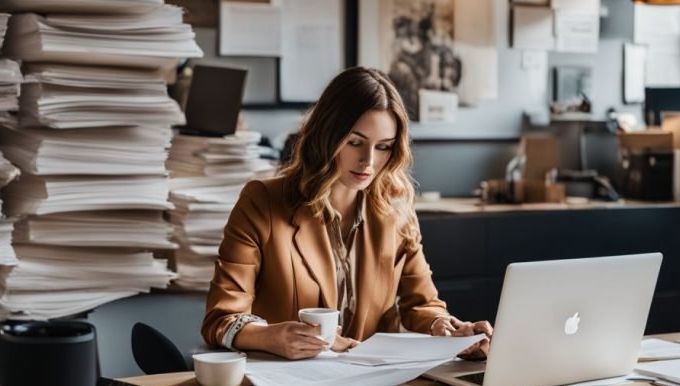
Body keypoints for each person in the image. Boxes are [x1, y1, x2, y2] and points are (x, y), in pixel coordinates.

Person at [202, 66, 493, 360]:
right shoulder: (262, 201)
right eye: (355, 142)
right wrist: (268, 336)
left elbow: (422, 304)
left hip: (372, 382)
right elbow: (220, 320)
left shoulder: (397, 209)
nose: (368, 160)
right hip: (284, 381)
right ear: (328, 134)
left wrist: (447, 329)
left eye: (383, 147)